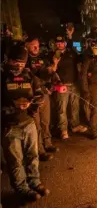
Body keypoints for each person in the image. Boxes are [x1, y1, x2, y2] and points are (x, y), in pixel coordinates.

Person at [1, 43, 50, 202]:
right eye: (15, 62)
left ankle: (34, 182)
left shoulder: (29, 76)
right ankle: (21, 189)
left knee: (32, 156)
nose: (18, 66)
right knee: (15, 161)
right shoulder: (2, 78)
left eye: (21, 63)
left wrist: (31, 104)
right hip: (9, 126)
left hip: (28, 123)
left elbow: (40, 95)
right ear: (8, 60)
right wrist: (11, 106)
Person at [25, 37, 59, 161]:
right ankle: (40, 150)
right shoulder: (24, 60)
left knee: (46, 122)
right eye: (33, 46)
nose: (36, 48)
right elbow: (30, 77)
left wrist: (54, 74)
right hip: (33, 97)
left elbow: (49, 71)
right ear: (27, 46)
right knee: (37, 125)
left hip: (45, 94)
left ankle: (48, 144)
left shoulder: (42, 59)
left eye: (38, 46)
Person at [50, 34, 87, 140]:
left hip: (74, 84)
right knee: (62, 109)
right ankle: (63, 130)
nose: (59, 45)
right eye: (57, 43)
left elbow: (80, 57)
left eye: (61, 43)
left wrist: (71, 37)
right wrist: (55, 63)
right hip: (62, 86)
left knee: (75, 107)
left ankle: (75, 125)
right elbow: (51, 71)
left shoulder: (71, 53)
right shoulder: (52, 55)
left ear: (65, 43)